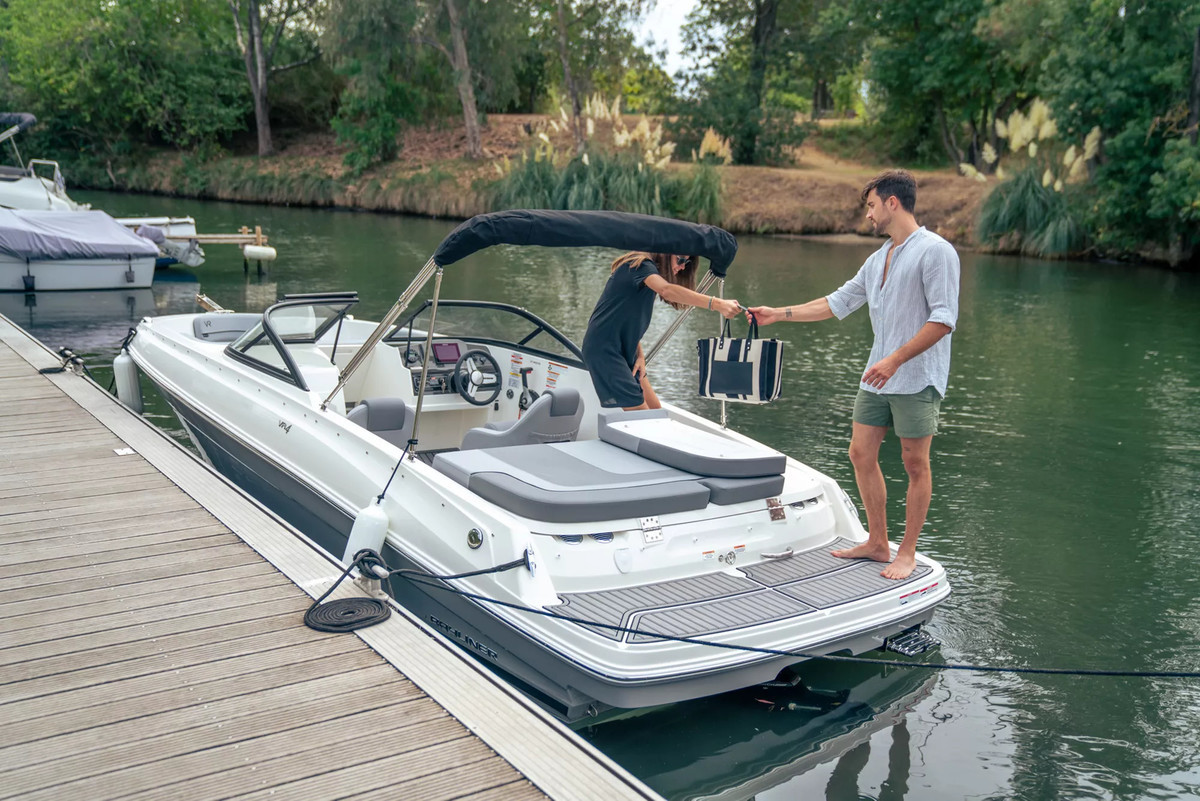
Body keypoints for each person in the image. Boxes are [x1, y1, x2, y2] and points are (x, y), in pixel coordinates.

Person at [747, 169, 960, 580]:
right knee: (860, 453)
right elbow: (836, 302)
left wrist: (896, 359)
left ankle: (907, 552)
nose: (868, 215)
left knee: (915, 463)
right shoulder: (879, 257)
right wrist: (779, 314)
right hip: (876, 375)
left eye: (871, 205)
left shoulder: (936, 252)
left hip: (915, 377)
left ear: (891, 203)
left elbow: (944, 319)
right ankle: (878, 543)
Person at [583, 251, 741, 410]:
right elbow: (667, 290)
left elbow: (624, 321)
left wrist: (640, 356)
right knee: (644, 419)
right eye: (680, 260)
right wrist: (717, 304)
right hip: (604, 351)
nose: (681, 267)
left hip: (625, 352)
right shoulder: (640, 265)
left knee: (655, 411)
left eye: (686, 263)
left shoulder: (647, 273)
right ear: (665, 253)